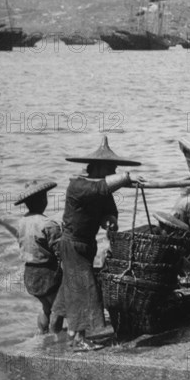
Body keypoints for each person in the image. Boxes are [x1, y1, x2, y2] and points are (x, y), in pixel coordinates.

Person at [53, 136, 145, 352]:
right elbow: (100, 189)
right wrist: (127, 177)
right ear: (98, 166)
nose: (113, 170)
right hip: (73, 244)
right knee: (85, 289)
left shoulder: (102, 190)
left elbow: (109, 209)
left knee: (72, 287)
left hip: (87, 243)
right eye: (111, 167)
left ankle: (64, 330)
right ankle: (78, 338)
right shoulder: (78, 186)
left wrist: (110, 220)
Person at [14, 179, 63, 334]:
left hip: (30, 273)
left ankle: (43, 335)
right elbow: (60, 251)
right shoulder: (49, 224)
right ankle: (55, 339)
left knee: (45, 307)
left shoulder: (21, 222)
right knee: (58, 308)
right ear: (44, 200)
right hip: (47, 273)